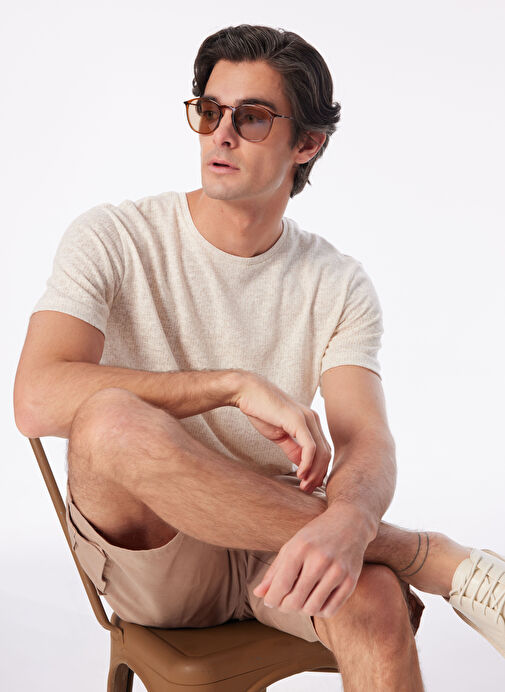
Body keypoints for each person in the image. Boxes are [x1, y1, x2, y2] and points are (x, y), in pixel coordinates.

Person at [14, 23, 504, 691]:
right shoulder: (115, 236)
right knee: (108, 421)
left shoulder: (337, 281)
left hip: (275, 537)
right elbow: (36, 398)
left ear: (307, 143)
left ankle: (385, 548)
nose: (220, 134)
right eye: (209, 111)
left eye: (250, 117)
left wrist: (351, 520)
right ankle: (430, 557)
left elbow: (366, 438)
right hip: (156, 554)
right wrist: (231, 385)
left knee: (376, 601)